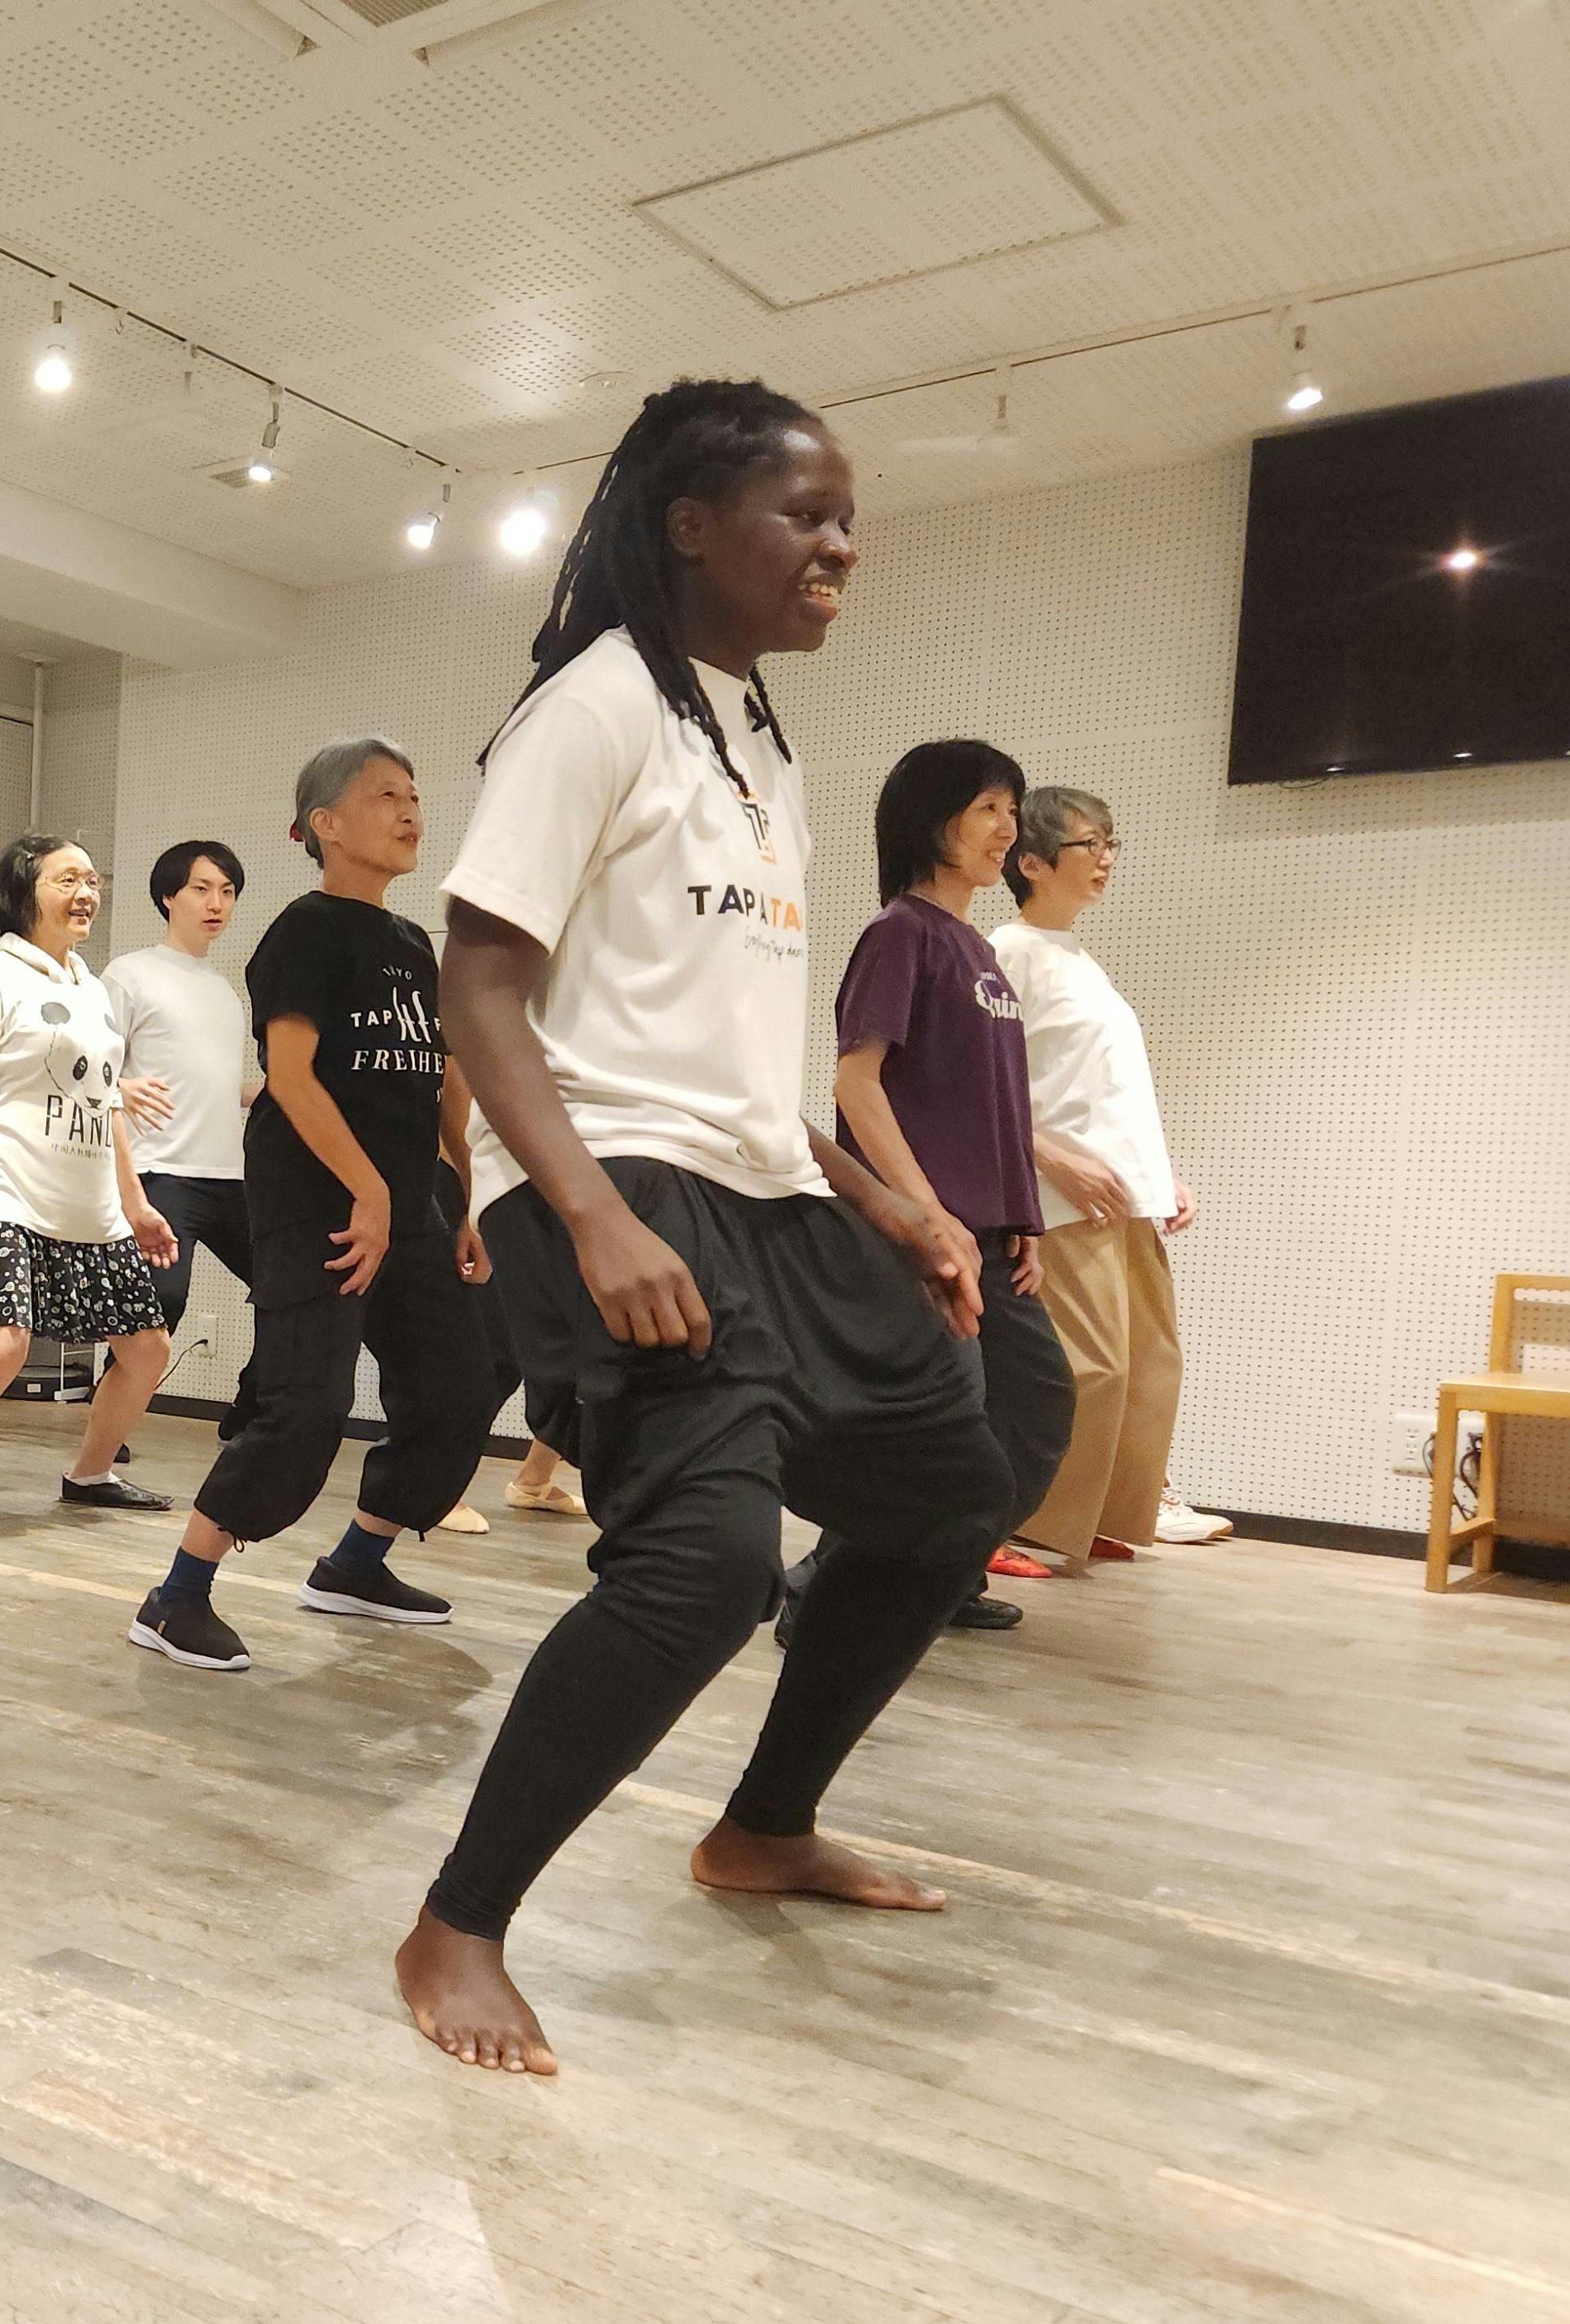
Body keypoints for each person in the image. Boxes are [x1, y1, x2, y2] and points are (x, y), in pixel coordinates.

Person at [402, 379, 1013, 2077]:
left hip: (759, 1189)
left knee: (947, 1494)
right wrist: (592, 1214)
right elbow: (479, 986)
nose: (840, 546)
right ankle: (456, 1923)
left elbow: (736, 1063)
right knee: (705, 1563)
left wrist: (885, 1200)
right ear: (690, 525)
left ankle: (762, 1826)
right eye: (803, 516)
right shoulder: (590, 708)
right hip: (611, 1183)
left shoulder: (755, 742)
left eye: (845, 519)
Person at [127, 738, 502, 1673]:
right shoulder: (303, 931)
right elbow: (290, 1078)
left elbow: (440, 1081)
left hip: (407, 1203)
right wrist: (367, 1190)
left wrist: (469, 1193)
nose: (410, 811)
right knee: (306, 1406)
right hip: (315, 1203)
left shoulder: (413, 943)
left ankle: (355, 1566)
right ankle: (177, 1597)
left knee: (461, 1384)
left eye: (414, 795)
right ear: (324, 824)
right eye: (385, 795)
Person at [802, 741, 1078, 1633]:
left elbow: (992, 1102)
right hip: (924, 1239)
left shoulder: (979, 953)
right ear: (931, 819)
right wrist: (923, 1213)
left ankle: (924, 1576)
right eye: (989, 807)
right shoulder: (900, 934)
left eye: (1012, 810)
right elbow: (856, 1082)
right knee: (947, 1429)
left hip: (986, 1234)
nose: (1007, 828)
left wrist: (1020, 1216)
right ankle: (839, 1585)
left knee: (1024, 1413)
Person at [0, 836, 178, 1537]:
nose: (86, 894)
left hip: (94, 1209)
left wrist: (136, 1203)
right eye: (68, 880)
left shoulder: (92, 987)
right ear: (25, 892)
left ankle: (91, 1475)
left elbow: (108, 1103)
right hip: (12, 1197)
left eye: (93, 881)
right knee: (3, 1345)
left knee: (148, 1348)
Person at [996, 787, 1208, 1557]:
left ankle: (1096, 1521)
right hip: (1064, 1197)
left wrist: (1159, 1177)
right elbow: (984, 1083)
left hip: (1122, 1196)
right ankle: (1020, 1524)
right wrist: (1051, 1158)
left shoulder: (1078, 959)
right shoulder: (1008, 951)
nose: (1106, 858)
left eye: (1111, 843)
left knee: (1150, 1366)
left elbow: (1106, 1089)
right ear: (1032, 862)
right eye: (1090, 844)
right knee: (1089, 1370)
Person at [105, 840, 255, 1424]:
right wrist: (120, 1088)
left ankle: (252, 1408)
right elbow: (88, 1071)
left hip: (228, 1175)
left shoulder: (225, 991)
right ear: (169, 896)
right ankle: (109, 1423)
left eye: (227, 892)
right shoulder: (130, 974)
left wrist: (278, 1092)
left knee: (290, 1287)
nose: (216, 903)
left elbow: (215, 1084)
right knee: (160, 1304)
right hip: (160, 1171)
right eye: (202, 889)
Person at [447, 1135, 588, 1531]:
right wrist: (474, 1204)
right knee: (498, 1356)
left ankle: (534, 1480)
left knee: (583, 1346)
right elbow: (456, 1121)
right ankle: (438, 1488)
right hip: (510, 1187)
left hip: (572, 1186)